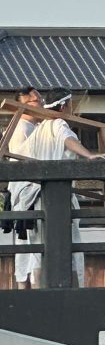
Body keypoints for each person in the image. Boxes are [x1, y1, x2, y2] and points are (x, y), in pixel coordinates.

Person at [8, 88, 105, 288]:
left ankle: (40, 296)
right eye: (70, 104)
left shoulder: (40, 128)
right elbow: (68, 140)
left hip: (33, 198)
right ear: (63, 106)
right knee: (66, 248)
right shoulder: (58, 123)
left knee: (38, 252)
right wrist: (88, 155)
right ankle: (68, 293)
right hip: (55, 197)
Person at [7, 86, 44, 289]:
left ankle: (29, 287)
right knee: (29, 246)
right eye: (36, 101)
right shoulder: (20, 128)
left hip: (32, 190)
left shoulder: (36, 128)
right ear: (24, 104)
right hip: (27, 191)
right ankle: (27, 289)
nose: (41, 103)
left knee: (30, 247)